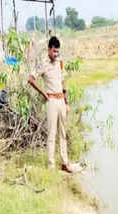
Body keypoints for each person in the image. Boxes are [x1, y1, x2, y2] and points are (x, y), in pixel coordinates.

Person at [28, 36, 74, 173]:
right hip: (52, 102)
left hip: (61, 101)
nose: (56, 54)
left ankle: (65, 163)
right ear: (48, 50)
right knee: (52, 134)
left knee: (63, 133)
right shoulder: (43, 64)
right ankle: (51, 165)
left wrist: (67, 103)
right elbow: (31, 80)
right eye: (54, 51)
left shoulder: (60, 63)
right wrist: (43, 94)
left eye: (57, 52)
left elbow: (63, 83)